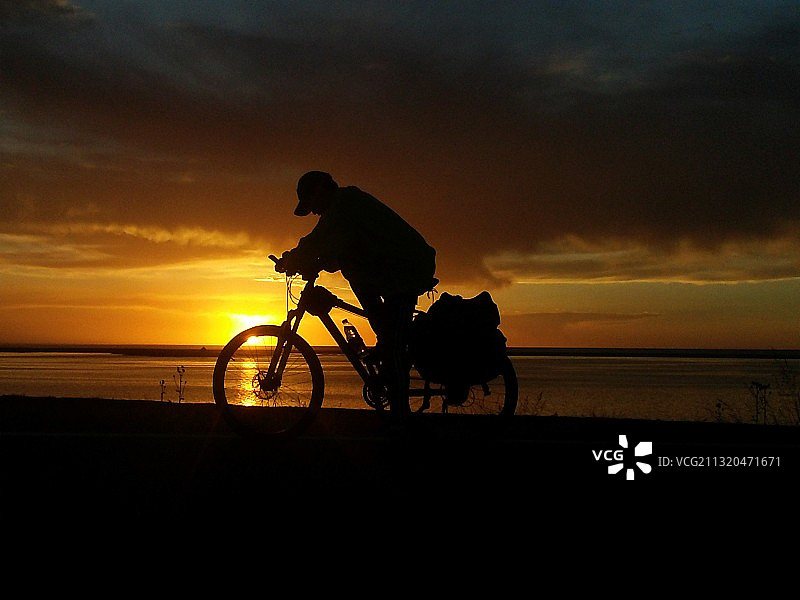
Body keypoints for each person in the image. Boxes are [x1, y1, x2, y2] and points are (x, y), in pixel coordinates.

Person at [275, 171, 437, 418]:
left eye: (311, 205)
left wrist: (300, 258)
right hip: (384, 273)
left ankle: (400, 416)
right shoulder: (336, 209)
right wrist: (298, 258)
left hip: (406, 269)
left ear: (320, 191)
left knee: (392, 343)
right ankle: (388, 364)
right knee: (383, 330)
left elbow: (326, 241)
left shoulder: (345, 203)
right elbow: (325, 244)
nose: (314, 212)